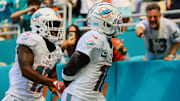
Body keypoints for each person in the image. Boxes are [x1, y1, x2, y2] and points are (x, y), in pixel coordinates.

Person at [59, 2, 122, 101]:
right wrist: (66, 81)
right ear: (103, 22)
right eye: (113, 21)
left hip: (94, 96)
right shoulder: (94, 36)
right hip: (78, 95)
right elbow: (73, 64)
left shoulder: (106, 41)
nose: (117, 24)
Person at [2, 7, 67, 101]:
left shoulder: (56, 50)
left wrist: (58, 89)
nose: (56, 29)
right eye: (53, 24)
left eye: (57, 25)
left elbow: (52, 77)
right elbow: (26, 71)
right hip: (17, 98)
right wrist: (53, 82)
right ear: (39, 25)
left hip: (37, 98)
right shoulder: (30, 40)